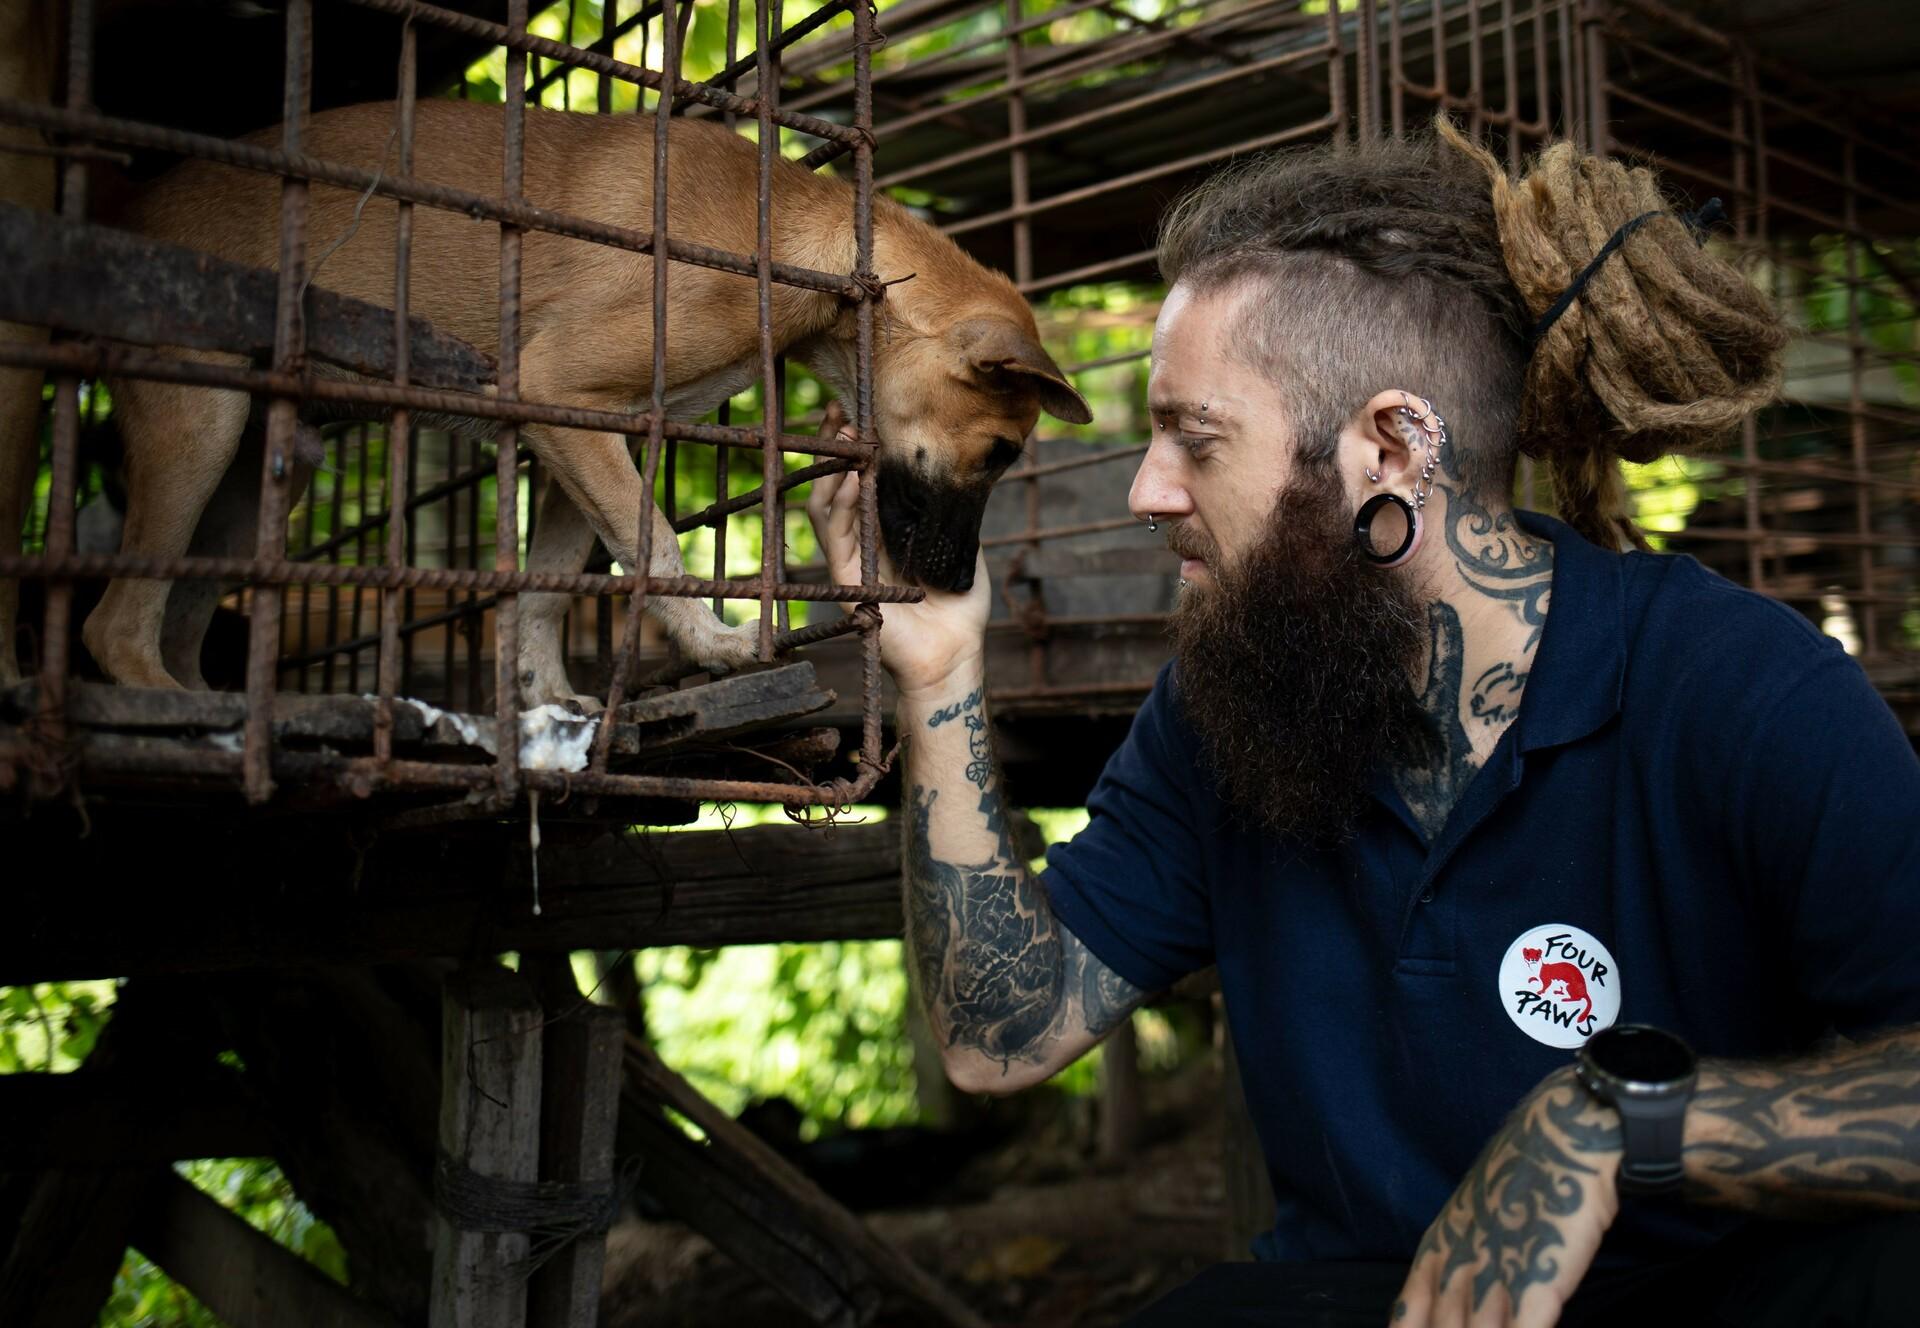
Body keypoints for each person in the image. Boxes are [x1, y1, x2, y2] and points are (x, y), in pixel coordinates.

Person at [807, 119, 1920, 1328]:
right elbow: (997, 1034)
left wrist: (1613, 1123)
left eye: (1196, 434)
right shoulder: (1226, 704)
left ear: (1393, 446)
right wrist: (939, 667)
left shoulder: (1741, 687)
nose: (1145, 489)